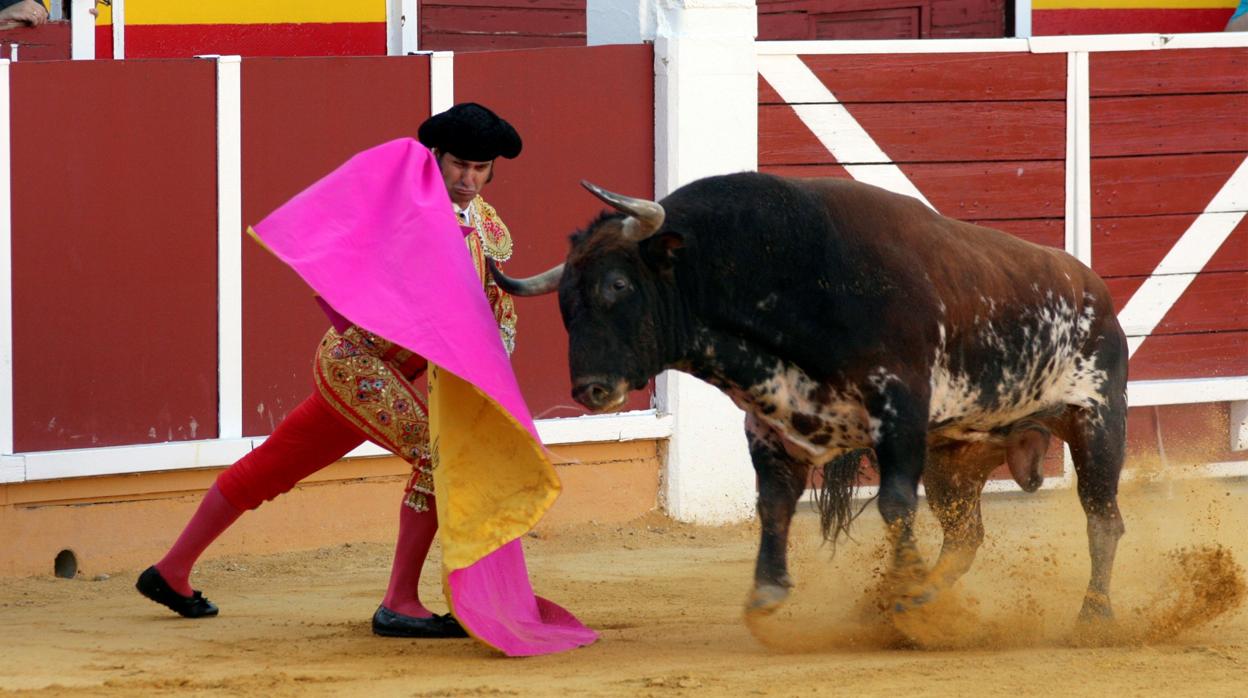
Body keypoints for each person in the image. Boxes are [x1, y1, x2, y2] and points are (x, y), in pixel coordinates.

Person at [137, 103, 523, 640]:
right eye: (460, 165)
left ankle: (169, 571)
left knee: (275, 464)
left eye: (482, 168)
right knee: (440, 458)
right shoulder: (403, 206)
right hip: (358, 363)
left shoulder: (486, 224)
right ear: (435, 157)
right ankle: (399, 603)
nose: (470, 179)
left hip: (385, 366)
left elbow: (494, 307)